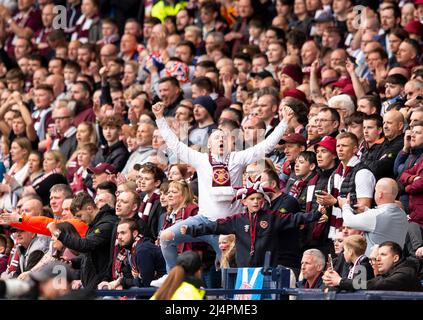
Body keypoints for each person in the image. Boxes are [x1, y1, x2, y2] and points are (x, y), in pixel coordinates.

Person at [152, 98, 294, 271]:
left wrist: (285, 122)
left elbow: (266, 146)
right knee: (166, 237)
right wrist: (159, 118)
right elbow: (175, 144)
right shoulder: (201, 159)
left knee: (225, 268)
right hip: (204, 222)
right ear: (209, 144)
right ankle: (173, 277)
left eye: (224, 138)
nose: (220, 140)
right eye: (216, 138)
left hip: (230, 227)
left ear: (231, 143)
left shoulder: (238, 158)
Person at [181, 177, 323, 267]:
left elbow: (296, 218)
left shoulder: (273, 216)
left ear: (263, 201)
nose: (256, 202)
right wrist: (191, 230)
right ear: (244, 201)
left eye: (259, 198)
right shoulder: (237, 220)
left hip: (267, 270)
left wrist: (316, 214)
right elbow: (214, 226)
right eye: (252, 199)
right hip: (244, 271)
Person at [47, 191, 117, 290]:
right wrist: (73, 262)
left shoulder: (107, 223)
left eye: (79, 216)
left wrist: (58, 233)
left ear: (89, 209)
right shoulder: (94, 225)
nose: (79, 220)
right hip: (92, 285)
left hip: (103, 286)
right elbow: (91, 255)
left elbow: (85, 245)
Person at [340, 178, 408, 256]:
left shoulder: (376, 215)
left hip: (375, 263)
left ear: (380, 194)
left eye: (375, 191)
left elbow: (349, 221)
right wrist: (366, 210)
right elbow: (381, 220)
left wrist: (345, 206)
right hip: (396, 261)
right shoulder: (402, 213)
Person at [97, 219, 166, 289]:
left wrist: (122, 281)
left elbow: (146, 282)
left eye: (123, 233)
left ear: (135, 234)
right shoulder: (132, 249)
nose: (119, 237)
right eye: (118, 234)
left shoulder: (142, 250)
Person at [331, 241, 422, 291]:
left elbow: (373, 285)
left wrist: (340, 281)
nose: (378, 259)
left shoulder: (405, 272)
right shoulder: (388, 274)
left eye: (383, 254)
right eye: (377, 255)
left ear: (395, 258)